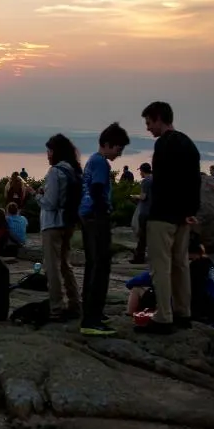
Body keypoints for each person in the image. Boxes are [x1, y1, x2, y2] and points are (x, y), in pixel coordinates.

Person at [138, 102, 202, 334]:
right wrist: (191, 211)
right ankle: (183, 312)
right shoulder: (189, 144)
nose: (148, 128)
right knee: (181, 265)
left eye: (148, 123)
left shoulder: (164, 144)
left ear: (158, 119)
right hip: (183, 216)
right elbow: (195, 182)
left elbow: (161, 183)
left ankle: (163, 315)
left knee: (160, 267)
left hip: (162, 215)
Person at [78, 122, 129, 336]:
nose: (119, 154)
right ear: (107, 144)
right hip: (96, 218)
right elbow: (98, 189)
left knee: (93, 265)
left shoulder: (92, 160)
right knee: (101, 267)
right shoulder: (100, 163)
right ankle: (92, 319)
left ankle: (91, 312)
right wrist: (104, 215)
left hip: (87, 216)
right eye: (118, 149)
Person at [36, 133, 82, 324]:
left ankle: (56, 307)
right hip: (68, 223)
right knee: (65, 264)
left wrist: (37, 196)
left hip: (52, 224)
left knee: (52, 267)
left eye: (49, 151)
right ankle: (75, 303)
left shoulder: (56, 172)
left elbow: (50, 202)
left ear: (56, 152)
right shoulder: (73, 170)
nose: (47, 155)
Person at [130, 162, 154, 264]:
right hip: (154, 212)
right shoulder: (155, 179)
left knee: (142, 236)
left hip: (144, 212)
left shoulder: (145, 181)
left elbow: (143, 197)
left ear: (142, 171)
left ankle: (139, 257)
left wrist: (135, 196)